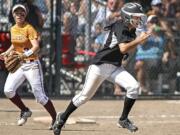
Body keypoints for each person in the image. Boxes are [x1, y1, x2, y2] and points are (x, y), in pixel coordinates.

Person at [53, 2, 151, 135]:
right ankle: (62, 117)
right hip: (99, 66)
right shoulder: (120, 25)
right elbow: (123, 47)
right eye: (136, 17)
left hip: (114, 67)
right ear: (128, 17)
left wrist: (128, 53)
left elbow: (124, 50)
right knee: (84, 96)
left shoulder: (132, 30)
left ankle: (123, 119)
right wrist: (139, 40)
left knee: (133, 86)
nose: (139, 19)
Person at [0, 4, 56, 130]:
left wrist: (24, 55)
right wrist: (7, 52)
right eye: (17, 13)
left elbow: (36, 47)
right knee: (8, 90)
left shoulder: (29, 28)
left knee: (40, 96)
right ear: (13, 15)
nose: (19, 15)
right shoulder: (13, 28)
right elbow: (15, 44)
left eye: (22, 13)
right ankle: (24, 110)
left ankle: (55, 118)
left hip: (32, 64)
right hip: (19, 64)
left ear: (25, 15)